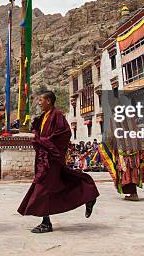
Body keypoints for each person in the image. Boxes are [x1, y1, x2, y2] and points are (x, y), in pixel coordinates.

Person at [17, 91, 99, 233]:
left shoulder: (57, 115)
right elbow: (41, 134)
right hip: (43, 158)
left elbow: (65, 133)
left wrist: (44, 141)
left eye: (41, 100)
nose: (39, 103)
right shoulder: (44, 117)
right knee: (58, 185)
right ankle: (89, 195)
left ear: (49, 101)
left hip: (51, 159)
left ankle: (46, 223)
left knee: (42, 189)